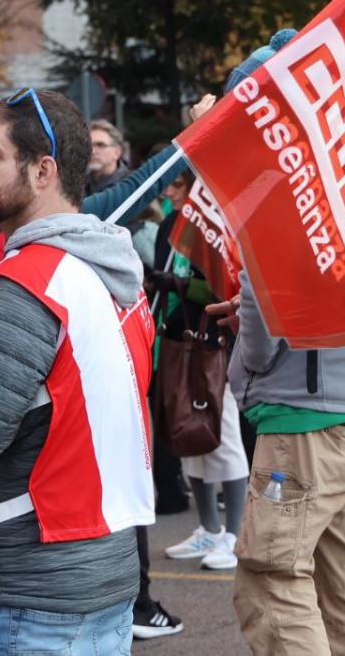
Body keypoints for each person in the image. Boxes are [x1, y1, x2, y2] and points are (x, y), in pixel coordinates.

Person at [0, 89, 155, 654]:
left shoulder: (27, 280)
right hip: (102, 569)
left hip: (35, 584)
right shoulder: (115, 275)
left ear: (42, 171)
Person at [208, 27, 345, 656]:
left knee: (270, 581)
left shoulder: (280, 180)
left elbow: (260, 319)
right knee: (344, 585)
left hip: (303, 421)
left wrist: (242, 371)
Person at [156, 171, 248, 573]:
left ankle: (235, 532)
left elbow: (222, 285)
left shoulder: (215, 226)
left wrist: (177, 284)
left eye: (178, 186)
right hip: (180, 341)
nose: (170, 193)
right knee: (188, 432)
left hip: (213, 343)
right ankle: (209, 527)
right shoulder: (172, 225)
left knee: (223, 435)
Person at [86, 120, 130, 195]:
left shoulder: (132, 184)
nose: (92, 151)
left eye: (100, 145)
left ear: (117, 152)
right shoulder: (78, 185)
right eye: (88, 145)